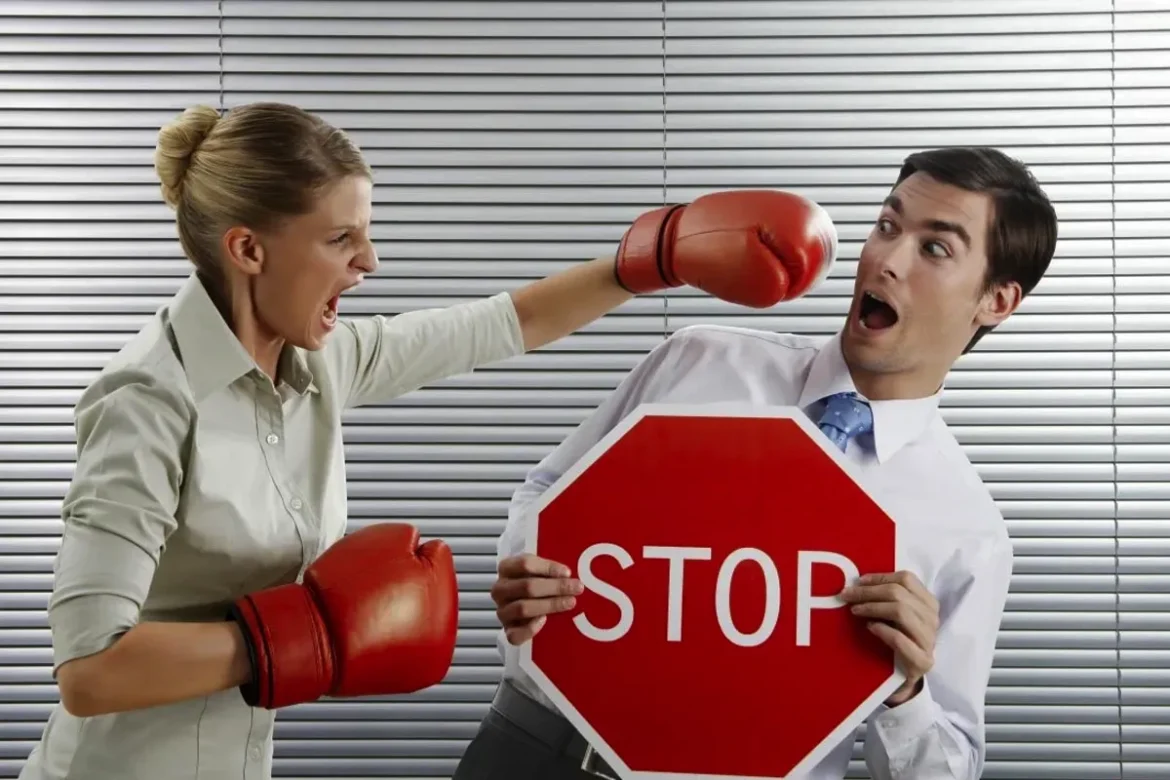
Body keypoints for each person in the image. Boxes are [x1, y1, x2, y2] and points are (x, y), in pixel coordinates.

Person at [18, 101, 839, 780]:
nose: (369, 260)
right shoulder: (150, 401)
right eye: (341, 239)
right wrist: (312, 635)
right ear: (247, 248)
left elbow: (499, 325)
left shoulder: (316, 360)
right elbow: (91, 670)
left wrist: (655, 256)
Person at [466, 146, 1059, 780]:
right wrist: (532, 570)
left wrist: (905, 692)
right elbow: (546, 492)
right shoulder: (699, 362)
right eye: (887, 226)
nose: (885, 259)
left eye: (934, 248)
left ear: (996, 301)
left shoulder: (968, 533)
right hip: (536, 752)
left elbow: (948, 767)